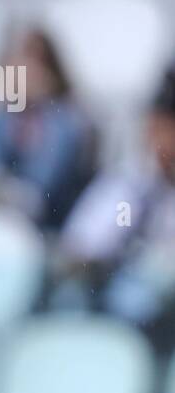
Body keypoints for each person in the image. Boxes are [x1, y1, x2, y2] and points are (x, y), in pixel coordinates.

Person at [53, 71, 175, 344]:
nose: (159, 139)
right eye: (155, 128)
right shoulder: (126, 185)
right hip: (113, 305)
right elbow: (79, 246)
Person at [0, 29, 94, 230]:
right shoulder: (1, 118)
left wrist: (3, 190)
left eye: (28, 65)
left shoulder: (67, 124)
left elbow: (40, 190)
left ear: (49, 73)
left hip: (47, 230)